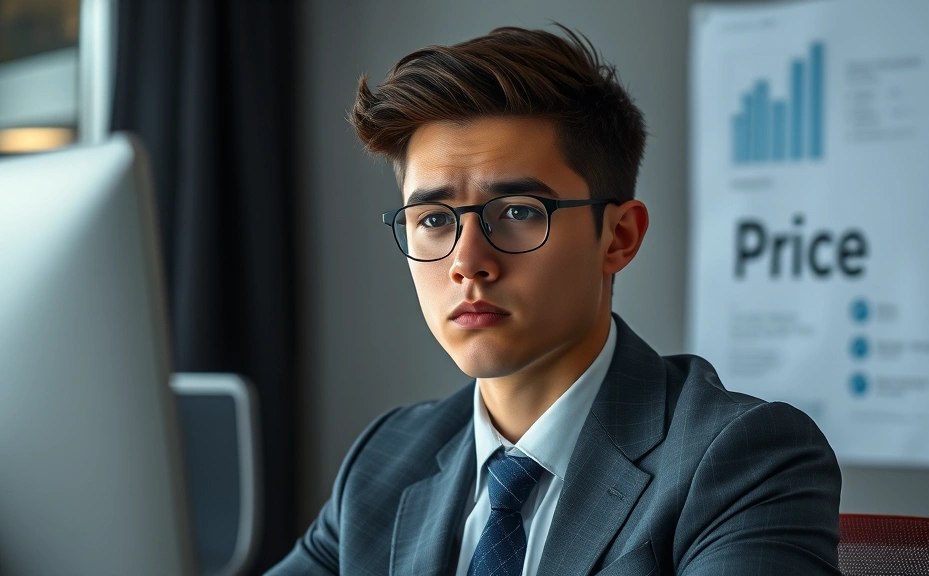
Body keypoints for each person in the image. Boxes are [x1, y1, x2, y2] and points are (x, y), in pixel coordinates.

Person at [269, 25, 841, 576]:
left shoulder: (743, 458)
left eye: (518, 212)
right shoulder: (388, 459)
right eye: (435, 220)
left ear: (618, 238)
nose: (467, 263)